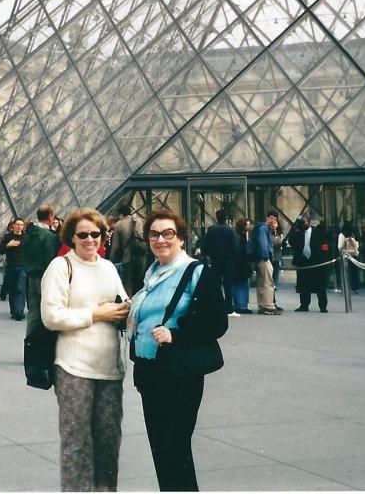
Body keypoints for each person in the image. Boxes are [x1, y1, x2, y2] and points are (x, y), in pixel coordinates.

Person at [128, 210, 227, 491]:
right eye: (154, 234)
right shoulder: (152, 274)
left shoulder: (198, 272)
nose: (161, 239)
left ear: (181, 238)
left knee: (176, 447)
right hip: (150, 370)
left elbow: (216, 323)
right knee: (161, 449)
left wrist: (175, 334)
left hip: (179, 372)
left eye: (168, 233)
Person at [41, 208, 129, 492]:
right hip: (73, 367)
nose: (90, 240)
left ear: (104, 236)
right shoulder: (60, 267)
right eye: (83, 235)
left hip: (110, 368)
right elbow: (51, 316)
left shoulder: (108, 267)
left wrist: (127, 308)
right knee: (76, 443)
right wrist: (97, 314)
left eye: (96, 234)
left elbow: (122, 301)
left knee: (108, 442)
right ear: (71, 237)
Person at [25, 204, 63, 338]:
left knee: (33, 313)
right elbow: (50, 259)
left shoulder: (28, 233)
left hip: (31, 277)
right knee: (49, 312)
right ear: (51, 216)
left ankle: (30, 344)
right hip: (45, 277)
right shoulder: (48, 236)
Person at [200, 209, 239, 317]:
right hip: (228, 260)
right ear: (226, 218)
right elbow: (235, 247)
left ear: (216, 218)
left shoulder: (211, 230)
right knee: (228, 285)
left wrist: (209, 254)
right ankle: (229, 308)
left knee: (216, 284)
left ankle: (216, 306)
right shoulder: (230, 231)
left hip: (215, 260)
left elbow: (205, 245)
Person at [289, 214, 332, 313]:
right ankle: (304, 305)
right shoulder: (298, 232)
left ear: (308, 222)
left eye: (303, 222)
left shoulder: (318, 232)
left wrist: (323, 257)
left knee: (320, 285)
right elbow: (292, 243)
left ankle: (322, 306)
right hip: (303, 262)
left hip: (316, 262)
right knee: (303, 285)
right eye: (300, 223)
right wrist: (293, 229)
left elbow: (325, 245)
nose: (302, 224)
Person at [110, 204, 147, 295]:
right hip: (141, 256)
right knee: (140, 280)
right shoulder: (140, 221)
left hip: (128, 257)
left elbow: (116, 246)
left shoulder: (119, 225)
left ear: (121, 214)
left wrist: (112, 261)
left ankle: (129, 304)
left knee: (127, 282)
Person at [0, 217, 27, 321]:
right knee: (12, 289)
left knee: (20, 288)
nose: (19, 226)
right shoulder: (7, 237)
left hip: (22, 266)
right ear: (13, 225)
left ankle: (19, 312)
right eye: (18, 224)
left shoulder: (26, 237)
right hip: (10, 265)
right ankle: (14, 311)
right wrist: (8, 245)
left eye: (21, 225)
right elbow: (1, 250)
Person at [253, 212, 280, 315]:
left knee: (261, 283)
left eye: (275, 219)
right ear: (267, 218)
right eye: (272, 218)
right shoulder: (264, 228)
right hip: (264, 258)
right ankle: (268, 305)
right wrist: (266, 256)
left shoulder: (261, 228)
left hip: (259, 258)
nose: (273, 221)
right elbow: (263, 243)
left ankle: (262, 304)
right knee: (268, 282)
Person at [232, 217, 253, 314]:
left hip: (237, 263)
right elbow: (242, 250)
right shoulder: (241, 236)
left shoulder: (238, 235)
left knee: (237, 284)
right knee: (242, 284)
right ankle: (242, 305)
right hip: (241, 263)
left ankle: (238, 304)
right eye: (248, 224)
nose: (249, 226)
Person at [338, 221, 360, 293]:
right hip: (353, 255)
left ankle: (344, 287)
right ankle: (355, 287)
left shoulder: (342, 235)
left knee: (345, 272)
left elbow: (340, 247)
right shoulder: (354, 234)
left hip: (345, 255)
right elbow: (357, 246)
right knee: (354, 272)